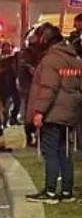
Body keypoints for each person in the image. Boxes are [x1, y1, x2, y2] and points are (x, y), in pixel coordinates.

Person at [25, 23, 82, 203]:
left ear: (44, 39)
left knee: (50, 152)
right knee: (65, 152)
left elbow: (49, 88)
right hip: (70, 113)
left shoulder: (51, 60)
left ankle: (50, 192)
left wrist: (39, 112)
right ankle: (66, 192)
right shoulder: (74, 59)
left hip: (53, 112)